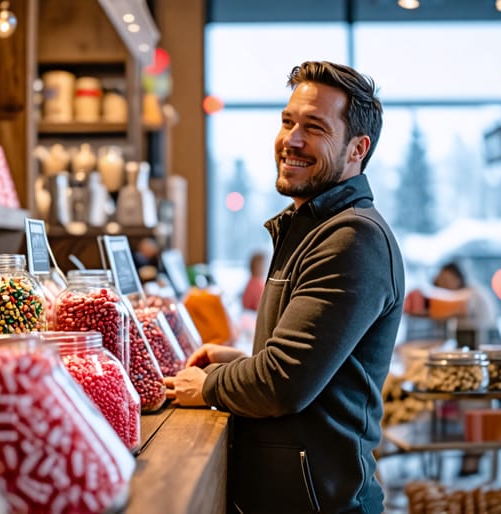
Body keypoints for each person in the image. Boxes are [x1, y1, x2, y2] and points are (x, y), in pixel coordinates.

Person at [164, 61, 404, 513]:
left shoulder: (352, 238)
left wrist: (210, 384)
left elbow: (283, 384)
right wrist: (239, 360)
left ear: (358, 148)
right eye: (288, 121)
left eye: (314, 127)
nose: (291, 139)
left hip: (321, 504)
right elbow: (317, 368)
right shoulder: (312, 227)